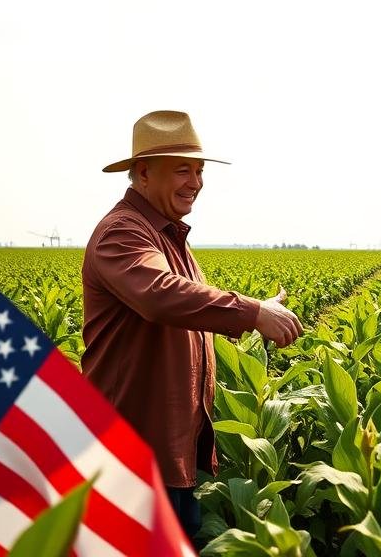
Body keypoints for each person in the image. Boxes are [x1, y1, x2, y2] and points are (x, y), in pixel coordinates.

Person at [81, 110, 303, 543]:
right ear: (142, 173)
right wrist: (253, 311)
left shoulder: (167, 236)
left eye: (200, 171)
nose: (196, 182)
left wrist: (256, 310)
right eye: (183, 169)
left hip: (173, 453)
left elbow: (188, 304)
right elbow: (161, 295)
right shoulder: (122, 233)